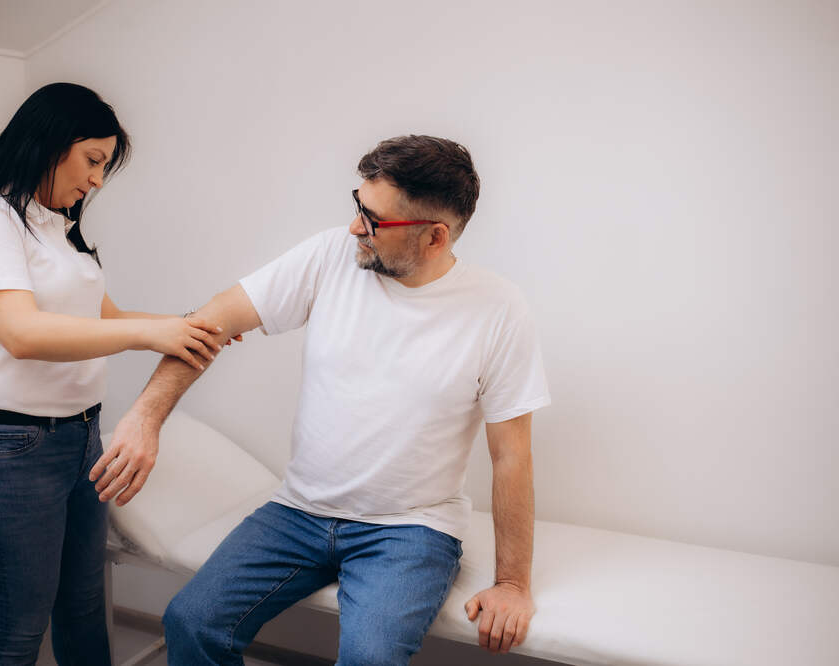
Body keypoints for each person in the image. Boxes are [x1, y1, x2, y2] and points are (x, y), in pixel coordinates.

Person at [92, 134, 551, 664]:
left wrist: (513, 584)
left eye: (374, 220)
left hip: (408, 530)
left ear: (435, 238)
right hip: (298, 513)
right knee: (190, 621)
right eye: (358, 205)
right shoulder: (331, 254)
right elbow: (213, 320)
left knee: (369, 659)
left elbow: (511, 455)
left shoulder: (496, 309)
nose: (356, 225)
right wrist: (145, 418)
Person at [0, 82, 224, 665]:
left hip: (80, 439)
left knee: (85, 607)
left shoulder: (58, 227)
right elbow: (22, 333)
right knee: (18, 628)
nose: (96, 180)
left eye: (104, 168)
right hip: (7, 449)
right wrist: (154, 334)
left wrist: (191, 325)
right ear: (50, 141)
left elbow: (104, 319)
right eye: (93, 160)